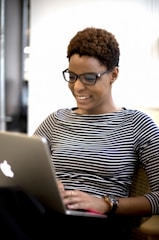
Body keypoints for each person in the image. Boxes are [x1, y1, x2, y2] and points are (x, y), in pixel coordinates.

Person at [0, 26, 159, 239]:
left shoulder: (137, 123)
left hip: (97, 221)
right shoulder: (56, 119)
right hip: (50, 212)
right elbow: (23, 168)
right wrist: (45, 187)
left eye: (89, 78)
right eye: (72, 76)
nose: (77, 87)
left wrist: (106, 204)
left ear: (114, 74)